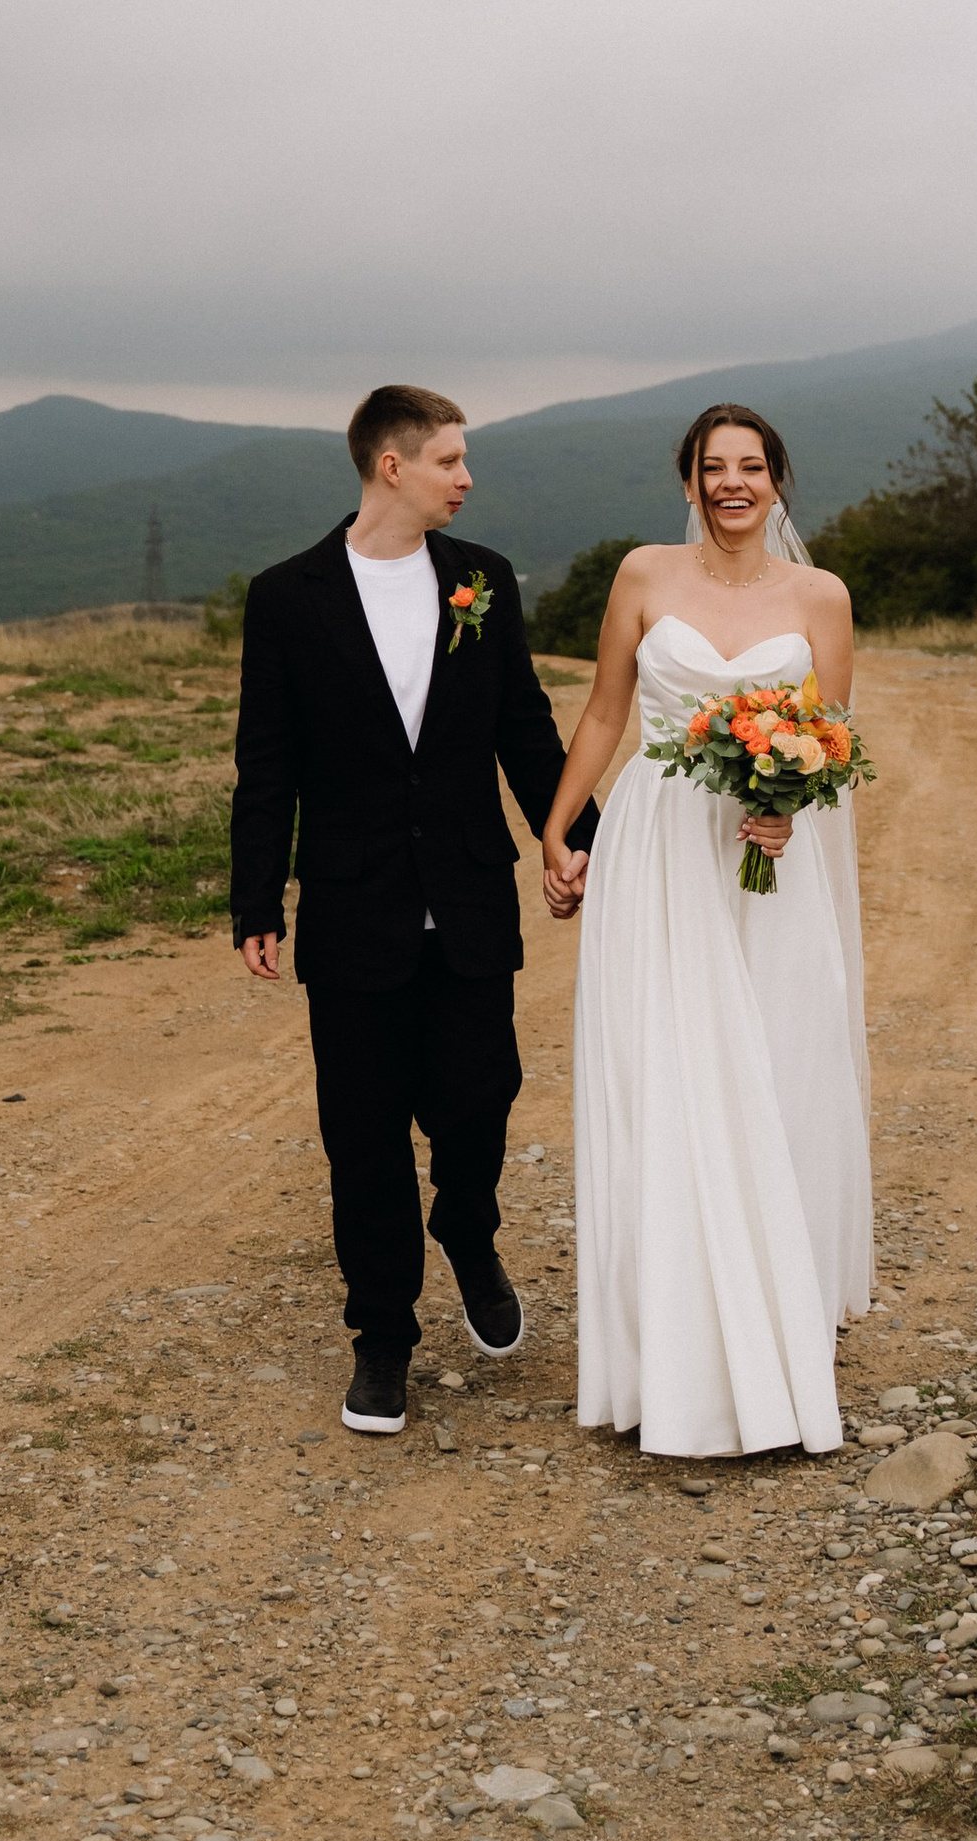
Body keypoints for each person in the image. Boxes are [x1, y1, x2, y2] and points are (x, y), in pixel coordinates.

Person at [230, 382, 594, 1436]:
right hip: (351, 914)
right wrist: (257, 897)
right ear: (391, 466)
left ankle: (468, 1232)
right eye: (449, 461)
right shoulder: (287, 596)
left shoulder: (481, 582)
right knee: (363, 1136)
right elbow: (267, 764)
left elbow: (523, 726)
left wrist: (574, 834)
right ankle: (381, 1338)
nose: (466, 479)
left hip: (470, 900)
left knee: (481, 1098)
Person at [541, 405, 872, 1458]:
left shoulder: (821, 597)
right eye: (711, 467)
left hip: (769, 859)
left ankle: (776, 1323)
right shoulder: (643, 575)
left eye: (751, 467)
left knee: (777, 1070)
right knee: (666, 1076)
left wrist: (789, 804)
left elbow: (829, 737)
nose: (731, 484)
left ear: (778, 482)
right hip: (657, 850)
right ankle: (667, 1354)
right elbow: (604, 709)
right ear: (688, 481)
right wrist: (558, 823)